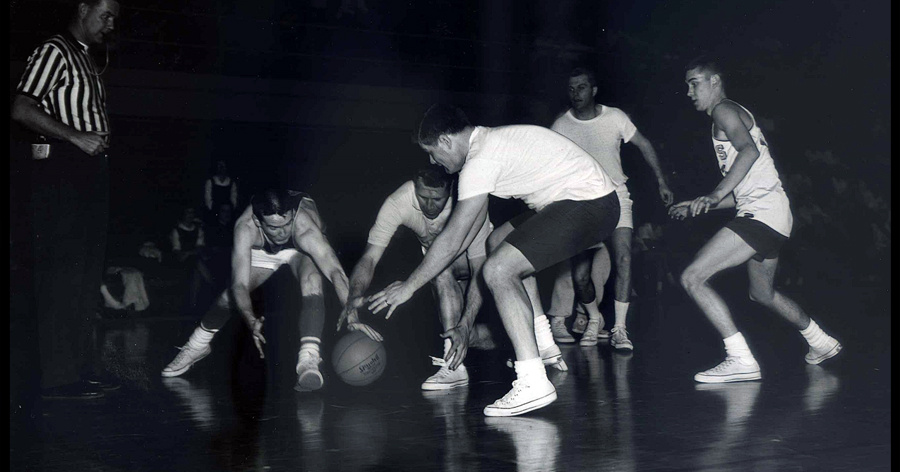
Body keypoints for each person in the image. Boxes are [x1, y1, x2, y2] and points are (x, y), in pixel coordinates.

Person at [366, 104, 620, 416]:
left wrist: (409, 287)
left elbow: (452, 240)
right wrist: (458, 314)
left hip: (591, 204)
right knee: (497, 242)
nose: (432, 161)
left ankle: (532, 380)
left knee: (500, 269)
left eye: (432, 152)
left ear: (445, 141)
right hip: (581, 202)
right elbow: (468, 239)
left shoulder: (479, 161)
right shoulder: (487, 145)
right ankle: (542, 343)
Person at [668, 57, 842, 383]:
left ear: (715, 81)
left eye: (694, 83)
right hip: (773, 213)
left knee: (693, 277)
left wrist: (715, 194)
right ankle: (821, 341)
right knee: (762, 293)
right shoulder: (729, 115)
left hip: (761, 213)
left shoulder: (723, 109)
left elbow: (749, 151)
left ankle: (740, 359)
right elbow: (743, 190)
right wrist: (701, 203)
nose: (689, 91)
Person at [11, 0, 120, 399]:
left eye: (114, 19)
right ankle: (57, 379)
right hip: (61, 171)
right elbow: (21, 108)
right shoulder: (55, 50)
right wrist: (76, 137)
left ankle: (78, 369)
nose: (110, 24)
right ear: (83, 9)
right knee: (61, 275)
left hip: (90, 172)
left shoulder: (87, 59)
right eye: (105, 15)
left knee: (85, 276)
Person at [161, 189, 380, 392]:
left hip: (300, 249)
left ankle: (308, 360)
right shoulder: (245, 228)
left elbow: (335, 272)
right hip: (263, 250)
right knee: (229, 298)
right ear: (258, 221)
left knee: (313, 281)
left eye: (286, 224)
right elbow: (239, 285)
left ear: (292, 214)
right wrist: (250, 319)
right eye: (274, 227)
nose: (282, 233)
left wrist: (352, 316)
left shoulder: (305, 227)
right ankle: (196, 346)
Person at [546, 67, 674, 350]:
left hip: (616, 196)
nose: (575, 93)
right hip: (582, 203)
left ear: (594, 90)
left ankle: (619, 329)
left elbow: (644, 144)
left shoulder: (615, 117)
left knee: (624, 259)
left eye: (581, 87)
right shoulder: (560, 126)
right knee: (579, 274)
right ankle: (591, 318)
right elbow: (548, 166)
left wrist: (661, 181)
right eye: (571, 89)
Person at [340, 165, 495, 391]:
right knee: (461, 335)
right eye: (423, 197)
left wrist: (465, 320)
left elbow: (479, 267)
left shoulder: (468, 200)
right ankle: (510, 344)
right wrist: (354, 296)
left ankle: (454, 367)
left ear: (451, 189)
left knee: (458, 316)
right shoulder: (398, 202)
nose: (430, 206)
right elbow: (370, 258)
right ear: (414, 187)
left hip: (480, 263)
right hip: (438, 269)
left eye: (437, 199)